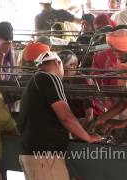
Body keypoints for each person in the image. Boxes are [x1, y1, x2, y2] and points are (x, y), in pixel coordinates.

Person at [18, 51, 102, 180]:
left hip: (35, 156)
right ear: (57, 63)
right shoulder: (50, 78)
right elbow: (65, 117)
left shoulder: (35, 79)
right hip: (44, 158)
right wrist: (87, 137)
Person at [58, 50, 95, 127]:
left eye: (62, 67)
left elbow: (89, 114)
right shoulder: (59, 79)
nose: (58, 71)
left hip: (84, 120)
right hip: (69, 119)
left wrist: (81, 134)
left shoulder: (84, 81)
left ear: (73, 65)